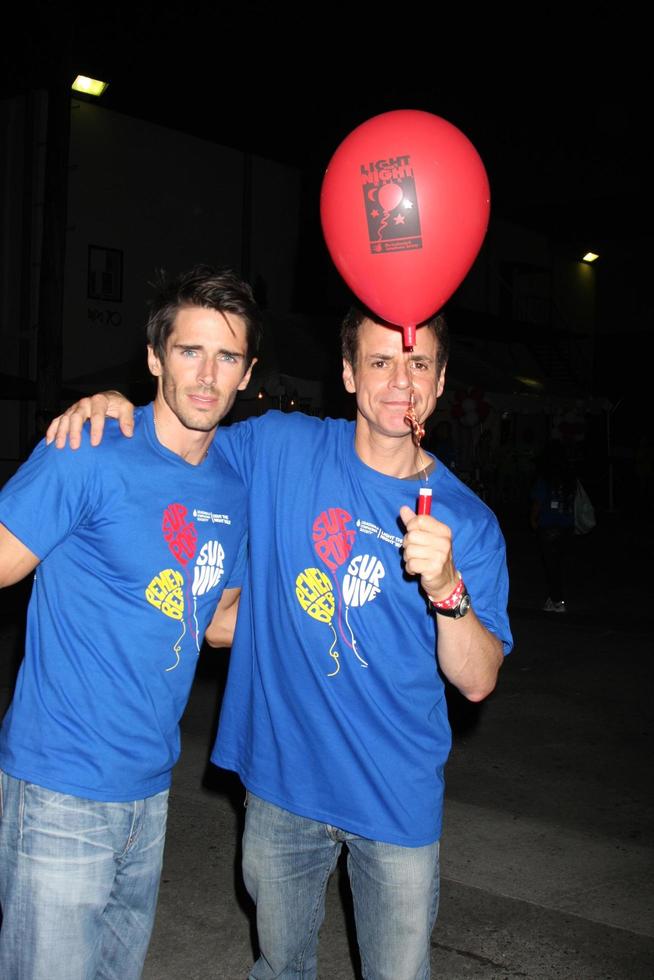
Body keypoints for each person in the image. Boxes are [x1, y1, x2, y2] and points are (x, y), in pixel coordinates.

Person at [47, 306, 512, 980]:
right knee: (279, 969)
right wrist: (114, 405)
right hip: (281, 786)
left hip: (395, 797)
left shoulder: (467, 519)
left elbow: (477, 680)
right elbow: (182, 435)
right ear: (348, 373)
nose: (399, 381)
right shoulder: (281, 447)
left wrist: (446, 586)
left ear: (440, 383)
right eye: (380, 362)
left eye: (418, 365)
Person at [0, 265, 261, 979]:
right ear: (153, 358)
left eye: (227, 356)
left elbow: (219, 622)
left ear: (247, 372)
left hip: (149, 790)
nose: (207, 376)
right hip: (60, 787)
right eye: (189, 351)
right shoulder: (88, 448)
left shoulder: (231, 487)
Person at [530, 440, 576, 613]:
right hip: (567, 525)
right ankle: (554, 598)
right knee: (559, 564)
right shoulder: (569, 477)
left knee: (551, 565)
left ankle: (558, 600)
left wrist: (533, 520)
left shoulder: (545, 478)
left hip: (548, 525)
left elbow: (537, 502)